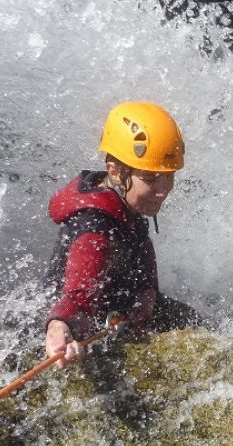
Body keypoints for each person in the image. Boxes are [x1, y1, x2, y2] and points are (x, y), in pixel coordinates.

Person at [42, 101, 199, 369]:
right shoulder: (95, 229)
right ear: (115, 171)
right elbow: (79, 291)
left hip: (120, 308)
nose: (164, 190)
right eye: (151, 178)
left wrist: (145, 297)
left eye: (169, 176)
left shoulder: (122, 199)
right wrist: (61, 326)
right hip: (85, 323)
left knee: (196, 320)